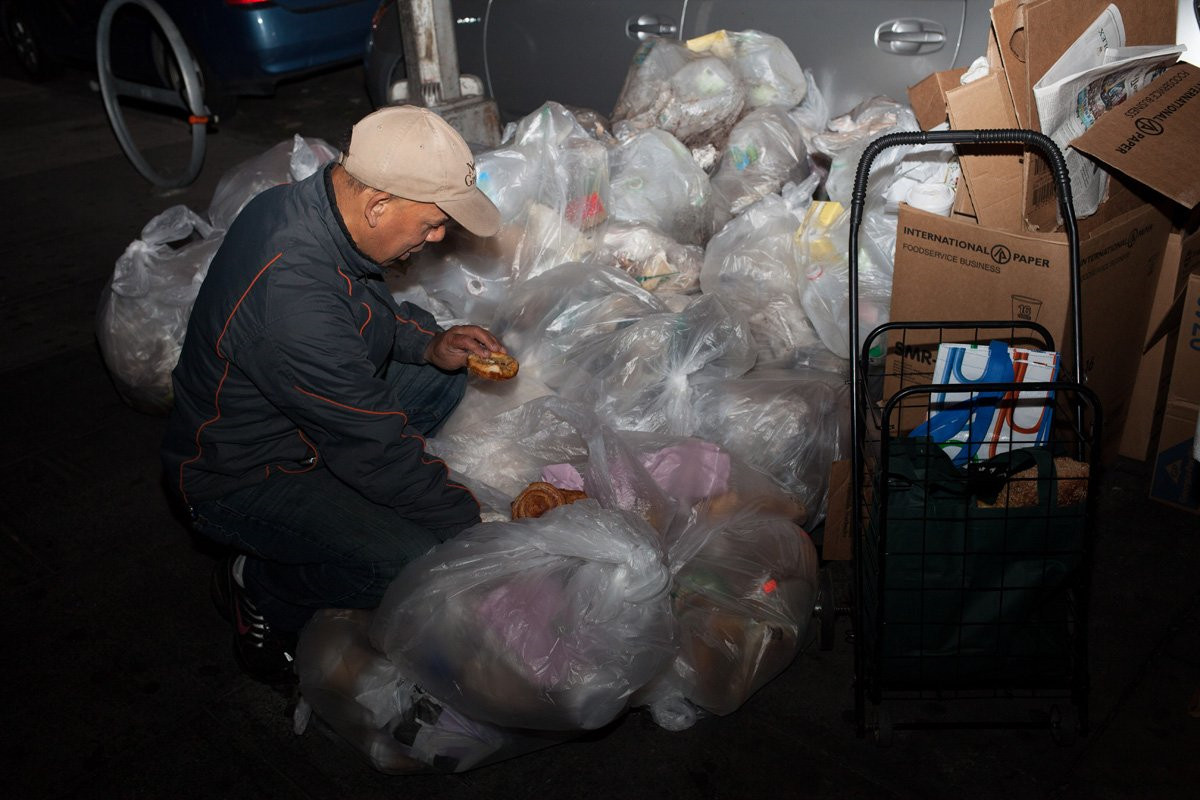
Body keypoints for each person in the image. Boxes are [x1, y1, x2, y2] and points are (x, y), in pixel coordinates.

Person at [161, 106, 505, 684]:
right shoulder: (291, 299)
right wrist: (474, 529)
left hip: (302, 419)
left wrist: (430, 344)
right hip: (243, 473)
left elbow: (366, 312)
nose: (439, 236)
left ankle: (347, 509)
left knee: (444, 373)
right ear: (378, 206)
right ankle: (262, 587)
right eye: (432, 223)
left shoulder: (318, 209)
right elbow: (372, 444)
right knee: (408, 557)